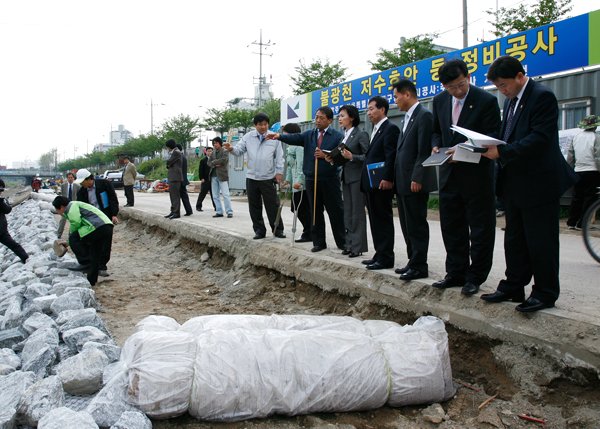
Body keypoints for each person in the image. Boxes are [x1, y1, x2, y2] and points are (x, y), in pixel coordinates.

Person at [480, 55, 579, 312]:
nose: (501, 90)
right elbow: (508, 135)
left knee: (540, 240)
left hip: (539, 182)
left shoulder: (541, 96)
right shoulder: (512, 101)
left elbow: (540, 138)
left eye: (503, 85)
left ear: (520, 77)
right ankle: (514, 285)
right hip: (515, 182)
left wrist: (502, 152)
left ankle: (545, 292)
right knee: (515, 239)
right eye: (498, 87)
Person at [430, 59, 502, 295]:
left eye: (461, 85)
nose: (458, 91)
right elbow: (436, 131)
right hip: (449, 173)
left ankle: (475, 276)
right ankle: (455, 272)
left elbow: (493, 135)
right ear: (444, 87)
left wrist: (465, 148)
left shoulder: (486, 100)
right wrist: (436, 146)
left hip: (476, 175)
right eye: (452, 88)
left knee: (480, 228)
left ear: (468, 77)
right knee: (451, 226)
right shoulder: (440, 101)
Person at [266, 107, 346, 252]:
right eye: (316, 117)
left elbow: (341, 156)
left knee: (336, 211)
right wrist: (279, 137)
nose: (318, 120)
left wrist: (326, 156)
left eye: (322, 118)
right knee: (315, 212)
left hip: (330, 179)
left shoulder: (337, 136)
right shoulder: (309, 135)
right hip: (312, 179)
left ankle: (342, 242)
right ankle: (319, 242)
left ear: (329, 120)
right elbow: (294, 137)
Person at [393, 79, 437, 280]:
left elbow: (424, 149)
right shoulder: (408, 117)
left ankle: (420, 266)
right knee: (407, 224)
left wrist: (418, 176)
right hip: (403, 180)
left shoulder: (424, 115)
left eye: (396, 97)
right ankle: (413, 261)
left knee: (417, 224)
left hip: (414, 181)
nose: (395, 102)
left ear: (407, 94)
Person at [224, 113, 285, 239]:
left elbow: (279, 157)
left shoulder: (274, 138)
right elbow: (239, 151)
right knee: (254, 206)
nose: (263, 127)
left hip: (268, 178)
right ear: (255, 125)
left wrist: (279, 173)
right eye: (260, 124)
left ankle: (277, 230)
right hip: (252, 178)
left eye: (265, 124)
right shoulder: (248, 137)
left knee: (272, 205)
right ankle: (259, 231)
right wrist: (231, 149)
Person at [360, 96, 400, 270]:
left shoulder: (390, 129)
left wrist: (388, 178)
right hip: (371, 183)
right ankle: (379, 253)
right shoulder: (377, 129)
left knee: (383, 220)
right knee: (375, 220)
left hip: (381, 183)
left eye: (371, 109)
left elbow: (390, 156)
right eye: (368, 109)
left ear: (382, 109)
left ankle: (386, 257)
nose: (368, 113)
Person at [325, 105, 369, 258]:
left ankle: (358, 246)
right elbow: (342, 158)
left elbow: (367, 157)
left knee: (357, 213)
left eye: (342, 115)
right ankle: (349, 244)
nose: (340, 118)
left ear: (352, 117)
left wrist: (352, 157)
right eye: (339, 116)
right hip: (346, 178)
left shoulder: (360, 134)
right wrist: (332, 159)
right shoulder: (345, 136)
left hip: (357, 178)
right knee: (348, 213)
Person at [53, 196, 114, 287]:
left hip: (97, 226)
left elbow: (76, 222)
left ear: (62, 207)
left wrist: (71, 239)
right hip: (106, 227)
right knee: (94, 253)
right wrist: (69, 242)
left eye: (57, 210)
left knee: (74, 238)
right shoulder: (77, 205)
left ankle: (85, 263)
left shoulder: (72, 206)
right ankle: (91, 281)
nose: (58, 213)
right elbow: (82, 229)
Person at [75, 168, 119, 277]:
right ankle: (91, 265)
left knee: (106, 242)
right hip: (91, 219)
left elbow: (112, 198)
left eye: (82, 181)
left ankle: (102, 266)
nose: (81, 184)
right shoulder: (82, 191)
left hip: (105, 217)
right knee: (92, 242)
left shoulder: (104, 184)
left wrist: (114, 214)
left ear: (89, 179)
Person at [566, 115, 600, 230]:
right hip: (592, 170)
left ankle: (571, 222)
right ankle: (583, 223)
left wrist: (570, 171)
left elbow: (571, 156)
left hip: (578, 170)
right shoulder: (597, 137)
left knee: (577, 197)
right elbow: (598, 156)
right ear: (595, 127)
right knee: (590, 198)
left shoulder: (576, 137)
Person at [281, 123, 311, 243]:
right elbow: (289, 166)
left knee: (302, 208)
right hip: (294, 182)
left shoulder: (299, 146)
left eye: (286, 133)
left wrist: (299, 181)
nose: (284, 135)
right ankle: (308, 230)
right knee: (295, 208)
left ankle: (309, 232)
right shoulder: (290, 147)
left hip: (301, 184)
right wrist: (287, 180)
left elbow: (301, 165)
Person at [0, 179, 29, 264]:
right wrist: (5, 202)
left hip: (2, 231)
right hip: (2, 232)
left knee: (14, 245)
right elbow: (7, 210)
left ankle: (26, 259)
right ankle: (26, 259)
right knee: (14, 246)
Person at [208, 137, 233, 218]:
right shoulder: (212, 153)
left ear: (220, 143)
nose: (215, 145)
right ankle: (219, 211)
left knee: (225, 194)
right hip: (213, 176)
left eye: (216, 143)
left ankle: (229, 211)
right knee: (215, 195)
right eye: (214, 143)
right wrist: (215, 163)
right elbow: (208, 163)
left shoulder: (225, 151)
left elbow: (223, 160)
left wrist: (213, 163)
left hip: (222, 175)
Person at [57, 172, 80, 238]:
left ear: (73, 178)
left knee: (73, 220)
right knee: (63, 219)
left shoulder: (77, 186)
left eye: (71, 177)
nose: (70, 179)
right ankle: (59, 233)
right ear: (67, 178)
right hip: (65, 205)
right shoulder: (63, 186)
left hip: (73, 204)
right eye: (69, 177)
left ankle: (70, 235)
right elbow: (62, 195)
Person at [165, 139, 183, 219]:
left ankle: (176, 212)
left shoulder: (176, 152)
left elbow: (168, 162)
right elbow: (169, 163)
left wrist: (169, 163)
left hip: (175, 177)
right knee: (172, 195)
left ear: (169, 147)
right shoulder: (175, 152)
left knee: (175, 195)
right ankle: (173, 211)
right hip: (173, 177)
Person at [196, 147, 216, 212]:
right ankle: (198, 206)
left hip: (213, 179)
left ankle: (216, 207)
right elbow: (200, 170)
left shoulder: (215, 160)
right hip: (205, 179)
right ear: (206, 152)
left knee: (214, 194)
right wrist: (201, 178)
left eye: (211, 151)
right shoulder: (203, 161)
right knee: (203, 193)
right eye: (208, 151)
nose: (210, 153)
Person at [176, 143, 194, 217]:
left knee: (182, 196)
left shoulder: (180, 157)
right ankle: (189, 210)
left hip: (181, 179)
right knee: (184, 196)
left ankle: (188, 210)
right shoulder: (183, 157)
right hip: (183, 179)